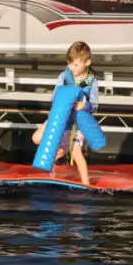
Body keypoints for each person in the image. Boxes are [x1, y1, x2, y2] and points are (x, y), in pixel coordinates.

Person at [33, 40, 100, 186]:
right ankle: (61, 150)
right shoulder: (64, 76)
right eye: (70, 64)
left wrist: (84, 106)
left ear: (87, 62)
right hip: (60, 117)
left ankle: (86, 184)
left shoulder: (92, 81)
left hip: (79, 122)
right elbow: (55, 95)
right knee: (37, 138)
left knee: (76, 152)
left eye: (76, 65)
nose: (72, 67)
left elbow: (94, 105)